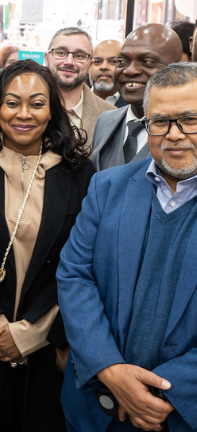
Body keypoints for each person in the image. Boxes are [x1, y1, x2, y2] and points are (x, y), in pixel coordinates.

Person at [0, 60, 96, 432]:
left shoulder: (80, 174)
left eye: (37, 103)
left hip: (46, 347)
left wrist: (28, 335)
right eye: (12, 102)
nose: (24, 114)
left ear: (53, 110)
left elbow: (82, 266)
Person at [58, 62, 197, 432]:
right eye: (161, 121)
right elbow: (74, 275)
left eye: (190, 119)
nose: (175, 135)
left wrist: (166, 390)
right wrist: (110, 369)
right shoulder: (107, 187)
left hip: (176, 414)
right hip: (95, 406)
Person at [89, 24, 184, 171]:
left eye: (147, 62)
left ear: (177, 68)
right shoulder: (104, 121)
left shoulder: (186, 131)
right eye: (122, 61)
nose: (130, 70)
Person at [44, 27, 115, 147]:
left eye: (80, 56)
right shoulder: (23, 107)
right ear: (47, 58)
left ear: (90, 65)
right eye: (61, 53)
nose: (69, 62)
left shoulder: (111, 116)